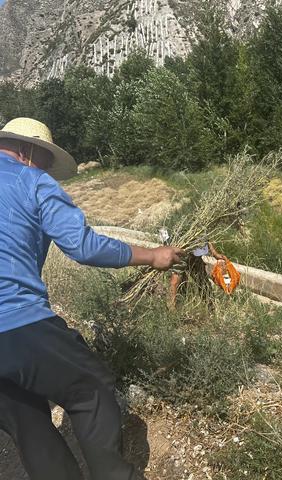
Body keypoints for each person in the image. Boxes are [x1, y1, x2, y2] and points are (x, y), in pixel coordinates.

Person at [0, 118, 184, 480]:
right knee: (91, 390)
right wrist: (152, 255)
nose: (48, 170)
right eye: (45, 161)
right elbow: (82, 245)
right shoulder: (32, 180)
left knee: (27, 420)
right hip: (16, 319)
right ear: (26, 151)